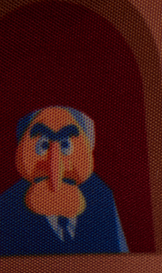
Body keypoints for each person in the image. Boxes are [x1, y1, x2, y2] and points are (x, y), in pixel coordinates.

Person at [0, 107, 128, 256]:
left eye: (65, 145)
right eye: (43, 146)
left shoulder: (100, 194)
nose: (54, 165)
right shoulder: (8, 205)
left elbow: (120, 256)